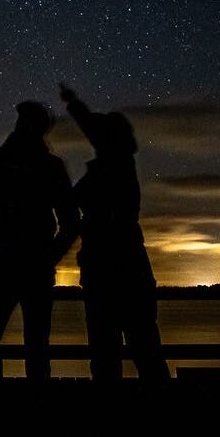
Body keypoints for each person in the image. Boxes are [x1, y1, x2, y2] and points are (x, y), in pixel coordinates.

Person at [0, 100, 79, 382]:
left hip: (8, 263)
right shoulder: (48, 166)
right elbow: (71, 221)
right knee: (34, 347)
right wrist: (50, 255)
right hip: (28, 266)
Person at [59, 83, 170, 385]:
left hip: (111, 269)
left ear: (109, 138)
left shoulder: (114, 164)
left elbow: (93, 130)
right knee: (138, 347)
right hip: (120, 267)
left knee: (122, 349)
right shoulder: (117, 161)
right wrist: (74, 104)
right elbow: (92, 128)